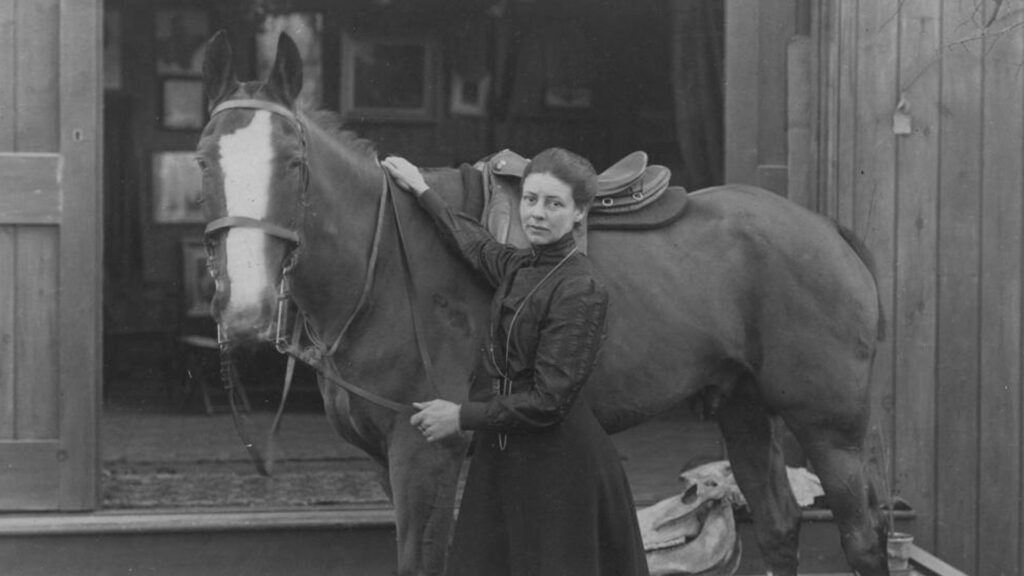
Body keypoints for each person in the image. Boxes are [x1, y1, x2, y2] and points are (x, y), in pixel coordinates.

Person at [383, 148, 650, 576]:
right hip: (507, 455)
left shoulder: (580, 287)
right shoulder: (523, 265)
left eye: (554, 203)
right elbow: (476, 244)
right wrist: (422, 189)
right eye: (530, 199)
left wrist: (461, 416)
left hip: (562, 469)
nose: (537, 214)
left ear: (580, 213)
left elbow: (549, 401)